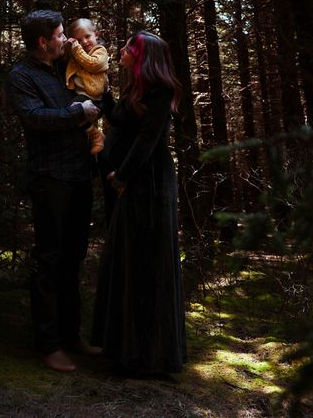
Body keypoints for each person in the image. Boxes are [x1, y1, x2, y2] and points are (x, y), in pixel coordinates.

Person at [7, 10, 102, 373]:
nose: (67, 40)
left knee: (73, 257)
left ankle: (71, 335)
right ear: (43, 42)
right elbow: (34, 118)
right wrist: (79, 112)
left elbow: (93, 94)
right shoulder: (22, 76)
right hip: (50, 179)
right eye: (61, 35)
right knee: (50, 259)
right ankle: (48, 345)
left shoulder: (66, 69)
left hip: (79, 175)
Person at [91, 31, 187, 376]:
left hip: (150, 184)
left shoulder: (161, 91)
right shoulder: (136, 89)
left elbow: (148, 141)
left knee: (149, 263)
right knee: (128, 261)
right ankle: (124, 350)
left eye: (129, 47)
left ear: (143, 56)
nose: (121, 50)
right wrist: (100, 92)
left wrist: (121, 177)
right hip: (133, 183)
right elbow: (118, 120)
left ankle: (152, 357)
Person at [66, 18, 109, 155]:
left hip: (94, 96)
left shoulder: (100, 51)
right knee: (71, 115)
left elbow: (93, 64)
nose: (84, 42)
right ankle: (95, 134)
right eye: (79, 40)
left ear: (96, 34)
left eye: (87, 36)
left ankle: (96, 136)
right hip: (83, 95)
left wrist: (76, 48)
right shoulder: (77, 54)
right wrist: (68, 46)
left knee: (72, 112)